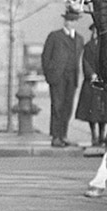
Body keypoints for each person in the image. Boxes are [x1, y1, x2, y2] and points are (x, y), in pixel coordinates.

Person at [41, 8, 84, 148]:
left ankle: (63, 136)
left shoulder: (79, 39)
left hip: (71, 78)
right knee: (57, 107)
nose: (71, 23)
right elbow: (45, 57)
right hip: (57, 77)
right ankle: (55, 137)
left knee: (67, 108)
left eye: (74, 21)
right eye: (69, 20)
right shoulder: (54, 36)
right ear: (65, 21)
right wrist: (50, 75)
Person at [75, 25, 107, 149]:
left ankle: (102, 135)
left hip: (103, 82)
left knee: (103, 111)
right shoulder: (88, 46)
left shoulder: (106, 47)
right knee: (91, 111)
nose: (96, 33)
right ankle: (94, 135)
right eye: (95, 31)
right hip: (91, 82)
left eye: (98, 31)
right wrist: (91, 74)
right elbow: (85, 61)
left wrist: (103, 75)